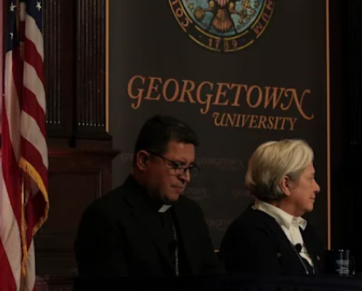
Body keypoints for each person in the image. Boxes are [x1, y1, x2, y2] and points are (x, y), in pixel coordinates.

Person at [74, 115, 220, 277]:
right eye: (177, 166)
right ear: (143, 160)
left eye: (189, 168)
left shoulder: (191, 213)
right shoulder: (105, 216)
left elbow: (212, 279)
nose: (186, 177)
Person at [220, 139, 323, 275]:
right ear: (285, 184)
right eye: (311, 179)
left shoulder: (308, 231)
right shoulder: (249, 232)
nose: (317, 188)